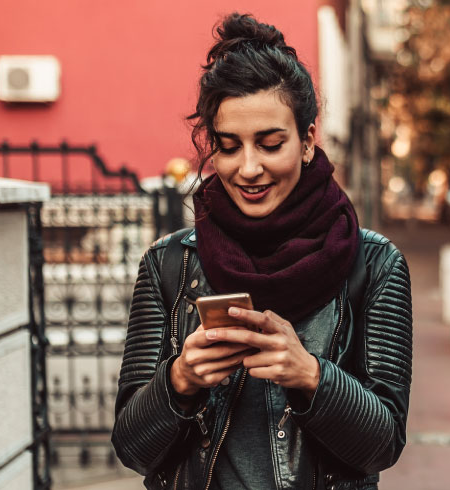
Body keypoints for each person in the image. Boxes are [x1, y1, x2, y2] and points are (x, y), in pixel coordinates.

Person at [111, 13, 412, 490]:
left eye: (270, 144)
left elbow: (383, 445)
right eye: (229, 147)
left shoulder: (373, 265)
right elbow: (131, 447)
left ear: (308, 140)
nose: (248, 168)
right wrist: (179, 382)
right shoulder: (168, 266)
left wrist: (312, 376)